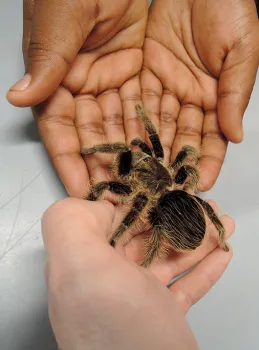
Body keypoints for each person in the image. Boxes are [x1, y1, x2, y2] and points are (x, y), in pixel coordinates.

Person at [5, 0, 256, 347]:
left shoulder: (141, 193)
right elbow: (183, 158)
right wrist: (187, 184)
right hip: (176, 196)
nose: (142, 155)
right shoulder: (173, 170)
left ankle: (152, 255)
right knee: (172, 179)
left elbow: (135, 176)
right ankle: (217, 235)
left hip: (171, 203)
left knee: (118, 189)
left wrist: (97, 155)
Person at [42, 197, 234, 349]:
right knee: (196, 204)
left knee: (156, 220)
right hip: (184, 211)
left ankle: (147, 263)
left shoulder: (145, 203)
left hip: (181, 225)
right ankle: (217, 231)